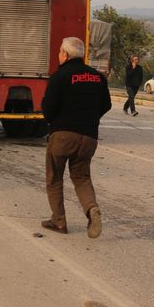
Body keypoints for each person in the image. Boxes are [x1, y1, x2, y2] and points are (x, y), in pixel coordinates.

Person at [41, 37, 111, 238]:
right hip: (88, 138)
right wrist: (89, 119)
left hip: (62, 136)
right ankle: (91, 209)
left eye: (59, 52)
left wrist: (58, 121)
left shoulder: (60, 76)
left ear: (65, 54)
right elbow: (106, 105)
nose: (58, 55)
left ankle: (59, 221)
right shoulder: (98, 77)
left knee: (54, 178)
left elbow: (48, 109)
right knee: (81, 178)